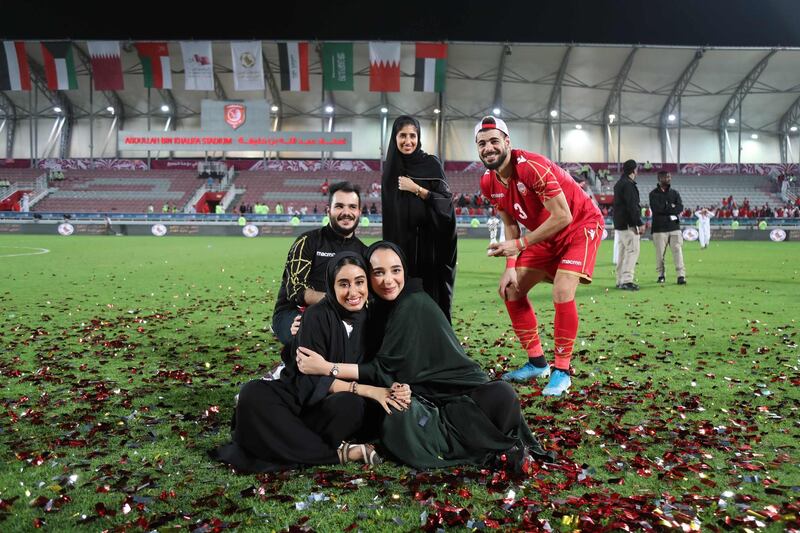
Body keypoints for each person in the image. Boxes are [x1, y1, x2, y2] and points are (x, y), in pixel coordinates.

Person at [296, 242, 553, 471]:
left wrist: (328, 367)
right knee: (396, 414)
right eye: (378, 273)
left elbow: (382, 368)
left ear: (404, 271)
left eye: (396, 270)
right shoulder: (376, 310)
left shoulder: (413, 304)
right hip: (421, 402)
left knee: (502, 395)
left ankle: (486, 449)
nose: (388, 280)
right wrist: (300, 326)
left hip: (460, 397)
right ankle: (492, 450)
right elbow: (381, 368)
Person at [213, 253, 406, 473]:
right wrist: (362, 387)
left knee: (351, 405)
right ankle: (337, 454)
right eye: (343, 284)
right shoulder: (316, 316)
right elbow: (309, 377)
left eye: (359, 282)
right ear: (331, 287)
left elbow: (377, 369)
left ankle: (283, 441)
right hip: (298, 397)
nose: (353, 292)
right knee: (252, 393)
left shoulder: (375, 322)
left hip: (335, 407)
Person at [474, 116, 604, 396]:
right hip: (543, 234)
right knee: (511, 289)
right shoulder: (488, 182)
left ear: (507, 142)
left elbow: (563, 216)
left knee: (561, 290)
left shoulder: (532, 166)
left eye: (495, 141)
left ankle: (562, 371)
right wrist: (511, 264)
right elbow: (509, 223)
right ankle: (537, 363)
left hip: (579, 226)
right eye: (482, 143)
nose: (488, 148)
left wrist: (520, 244)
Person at [271, 182, 367, 348]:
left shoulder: (364, 252)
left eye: (352, 207)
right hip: (295, 312)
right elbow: (296, 290)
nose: (346, 212)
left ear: (359, 212)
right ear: (328, 210)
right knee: (312, 332)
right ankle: (286, 366)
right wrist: (339, 301)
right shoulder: (307, 241)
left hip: (342, 313)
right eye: (339, 206)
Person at [381, 115, 457, 322]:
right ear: (394, 138)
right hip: (401, 250)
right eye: (402, 135)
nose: (408, 141)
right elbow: (390, 216)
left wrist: (417, 190)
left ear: (419, 137)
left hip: (430, 251)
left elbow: (446, 205)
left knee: (431, 300)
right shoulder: (390, 171)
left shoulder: (431, 164)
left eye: (412, 136)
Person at [613, 160, 645, 290]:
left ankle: (620, 279)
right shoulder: (629, 185)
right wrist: (638, 223)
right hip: (627, 224)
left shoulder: (619, 184)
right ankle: (627, 280)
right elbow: (632, 206)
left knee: (622, 252)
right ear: (634, 170)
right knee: (633, 250)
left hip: (619, 224)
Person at [649, 170, 686, 285]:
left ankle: (681, 275)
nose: (669, 178)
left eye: (670, 176)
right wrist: (671, 207)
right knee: (660, 254)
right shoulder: (653, 194)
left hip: (674, 227)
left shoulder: (675, 193)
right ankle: (661, 275)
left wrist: (666, 208)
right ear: (660, 179)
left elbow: (680, 208)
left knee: (677, 251)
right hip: (659, 229)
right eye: (666, 177)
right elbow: (656, 209)